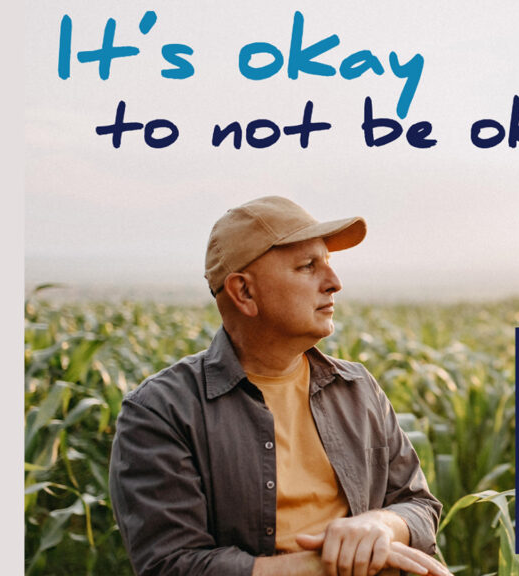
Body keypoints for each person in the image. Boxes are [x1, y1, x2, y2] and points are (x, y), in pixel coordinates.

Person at [109, 196, 450, 576]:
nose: (334, 284)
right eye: (307, 266)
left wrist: (381, 526)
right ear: (245, 293)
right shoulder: (160, 411)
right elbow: (171, 566)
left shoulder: (357, 387)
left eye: (329, 265)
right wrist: (329, 565)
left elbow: (419, 505)